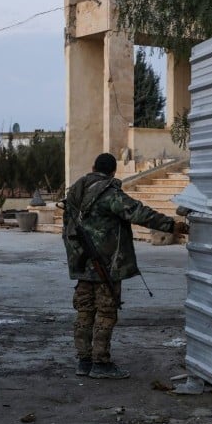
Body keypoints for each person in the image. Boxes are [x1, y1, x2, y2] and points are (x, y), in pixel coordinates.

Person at [63, 152, 189, 379]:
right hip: (105, 265)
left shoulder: (75, 193)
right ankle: (100, 363)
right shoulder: (109, 194)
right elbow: (139, 213)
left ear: (93, 168)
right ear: (113, 172)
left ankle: (84, 361)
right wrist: (172, 226)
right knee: (106, 312)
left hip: (82, 262)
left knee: (84, 311)